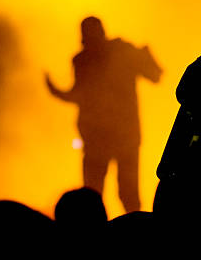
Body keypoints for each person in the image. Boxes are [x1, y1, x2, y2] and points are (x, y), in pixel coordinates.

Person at [45, 16, 162, 213]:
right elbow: (80, 95)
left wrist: (144, 57)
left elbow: (155, 75)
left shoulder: (118, 53)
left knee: (121, 194)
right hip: (101, 137)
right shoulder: (88, 60)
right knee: (97, 194)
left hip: (119, 137)